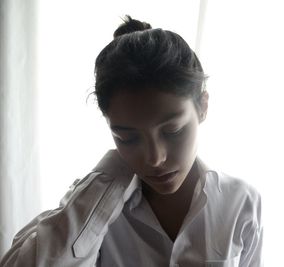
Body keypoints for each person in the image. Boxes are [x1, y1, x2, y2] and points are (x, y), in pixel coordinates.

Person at [0, 16, 263, 267]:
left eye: (172, 131)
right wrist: (113, 170)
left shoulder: (240, 202)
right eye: (127, 137)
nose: (154, 159)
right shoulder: (93, 206)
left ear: (203, 106)